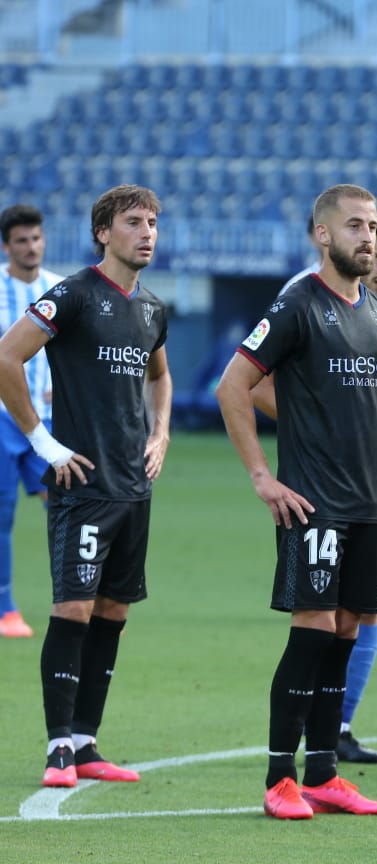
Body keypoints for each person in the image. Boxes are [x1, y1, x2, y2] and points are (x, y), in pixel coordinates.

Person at [216, 184, 377, 820]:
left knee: (349, 629)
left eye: (373, 225)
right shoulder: (298, 304)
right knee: (312, 629)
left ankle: (326, 773)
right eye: (356, 226)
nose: (368, 237)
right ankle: (280, 778)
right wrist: (261, 476)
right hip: (312, 503)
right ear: (323, 235)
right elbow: (234, 385)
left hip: (366, 506)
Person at [0, 185, 171, 787]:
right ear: (103, 232)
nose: (147, 232)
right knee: (72, 605)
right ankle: (57, 751)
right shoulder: (72, 294)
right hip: (83, 484)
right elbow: (5, 358)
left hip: (134, 486)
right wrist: (43, 443)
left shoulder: (152, 307)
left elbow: (160, 375)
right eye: (133, 222)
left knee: (114, 610)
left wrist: (162, 435)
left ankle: (88, 742)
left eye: (153, 222)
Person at [253, 217, 377, 764]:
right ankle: (284, 766)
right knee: (314, 622)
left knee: (359, 613)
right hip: (316, 484)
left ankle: (333, 746)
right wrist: (319, 427)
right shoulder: (299, 298)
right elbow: (248, 383)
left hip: (371, 483)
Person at [0, 204, 60, 639]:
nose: (31, 247)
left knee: (66, 507)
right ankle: (5, 609)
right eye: (21, 240)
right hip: (2, 420)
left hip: (50, 423)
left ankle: (77, 600)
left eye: (36, 238)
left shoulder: (60, 289)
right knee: (2, 516)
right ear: (7, 246)